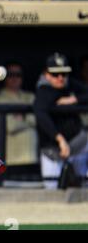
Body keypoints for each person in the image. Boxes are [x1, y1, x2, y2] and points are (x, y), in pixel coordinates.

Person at [34, 52, 88, 189]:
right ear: (46, 74)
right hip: (53, 149)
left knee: (83, 184)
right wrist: (60, 139)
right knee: (51, 188)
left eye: (63, 74)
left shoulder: (71, 84)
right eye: (55, 74)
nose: (60, 78)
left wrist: (74, 99)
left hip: (77, 143)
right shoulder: (43, 90)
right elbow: (41, 116)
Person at [0, 62, 38, 168]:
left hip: (32, 156)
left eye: (18, 75)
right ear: (5, 77)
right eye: (11, 75)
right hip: (12, 159)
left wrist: (21, 117)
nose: (15, 78)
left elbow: (37, 120)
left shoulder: (29, 97)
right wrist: (27, 116)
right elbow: (11, 126)